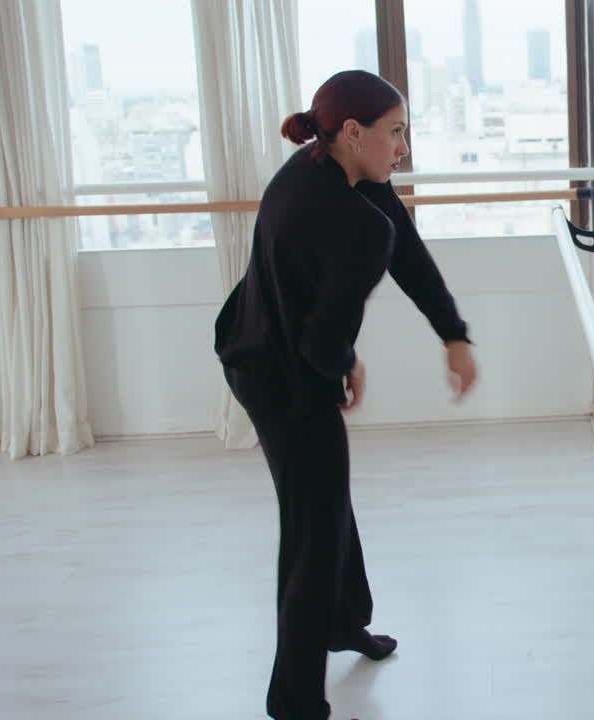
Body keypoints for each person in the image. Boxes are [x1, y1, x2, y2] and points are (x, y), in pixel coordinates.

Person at [214, 69, 478, 720]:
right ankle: (295, 700)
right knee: (312, 530)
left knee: (326, 504)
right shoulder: (352, 219)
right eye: (396, 132)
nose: (404, 147)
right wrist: (341, 365)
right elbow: (321, 341)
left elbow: (405, 254)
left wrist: (453, 334)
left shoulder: (322, 165)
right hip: (283, 378)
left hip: (255, 345)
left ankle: (343, 623)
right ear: (354, 132)